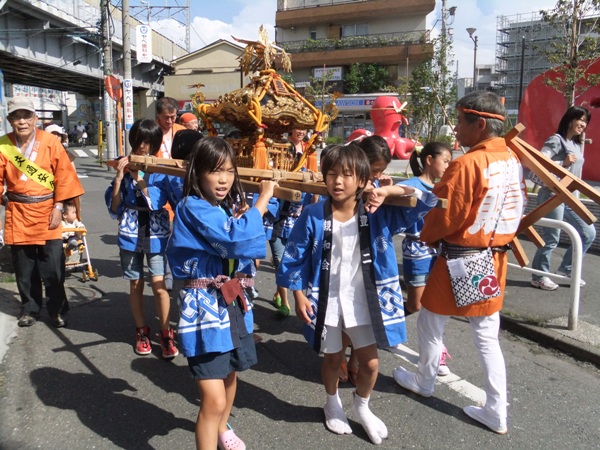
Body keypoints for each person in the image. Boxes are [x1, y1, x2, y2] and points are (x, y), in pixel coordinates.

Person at [276, 143, 437, 444]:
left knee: (371, 363)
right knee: (333, 360)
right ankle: (331, 401)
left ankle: (361, 406)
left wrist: (389, 192)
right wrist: (297, 295)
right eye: (332, 174)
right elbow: (294, 256)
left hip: (365, 301)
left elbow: (428, 200)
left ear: (363, 180)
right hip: (326, 300)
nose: (338, 181)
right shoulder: (312, 214)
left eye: (348, 175)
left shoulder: (378, 212)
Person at [392, 91, 527, 435]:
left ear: (480, 124)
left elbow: (445, 214)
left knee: (430, 323)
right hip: (494, 257)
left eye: (461, 122)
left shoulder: (467, 164)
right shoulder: (512, 159)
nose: (456, 129)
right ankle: (496, 410)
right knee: (486, 336)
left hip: (460, 258)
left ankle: (424, 380)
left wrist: (426, 235)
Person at [166, 137, 276, 450]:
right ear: (198, 173)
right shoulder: (192, 206)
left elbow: (235, 237)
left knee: (230, 375)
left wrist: (246, 213)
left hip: (229, 302)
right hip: (203, 308)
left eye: (229, 171)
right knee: (212, 399)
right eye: (215, 171)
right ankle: (214, 431)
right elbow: (231, 240)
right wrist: (262, 201)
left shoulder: (217, 206)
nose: (224, 179)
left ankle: (222, 430)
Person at [0, 97, 84, 328]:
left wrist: (59, 207)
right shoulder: (3, 145)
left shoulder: (50, 142)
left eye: (27, 116)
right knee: (24, 269)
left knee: (52, 268)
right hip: (18, 213)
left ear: (35, 118)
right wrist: (3, 197)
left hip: (48, 211)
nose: (22, 121)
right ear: (10, 120)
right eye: (17, 117)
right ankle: (30, 308)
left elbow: (64, 177)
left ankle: (57, 310)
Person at [105, 118, 179, 359]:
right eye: (138, 141)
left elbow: (158, 200)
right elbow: (115, 208)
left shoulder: (160, 168)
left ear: (155, 143)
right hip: (129, 231)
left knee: (159, 287)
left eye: (148, 142)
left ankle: (166, 332)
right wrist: (119, 178)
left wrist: (138, 177)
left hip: (156, 232)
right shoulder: (123, 165)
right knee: (135, 284)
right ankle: (141, 332)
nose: (142, 146)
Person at [402, 141, 453, 376]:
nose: (448, 166)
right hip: (417, 249)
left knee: (436, 306)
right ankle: (382, 320)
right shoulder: (411, 184)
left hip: (439, 252)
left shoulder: (445, 187)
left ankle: (436, 352)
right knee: (416, 304)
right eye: (445, 161)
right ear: (429, 160)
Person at [530, 106, 594, 291]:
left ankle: (566, 269)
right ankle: (539, 276)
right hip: (553, 196)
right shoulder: (556, 141)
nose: (583, 124)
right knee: (551, 239)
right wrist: (562, 163)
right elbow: (538, 167)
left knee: (588, 233)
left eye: (585, 121)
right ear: (570, 119)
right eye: (580, 119)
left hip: (571, 198)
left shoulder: (575, 144)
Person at [61, 199, 86, 264]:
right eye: (73, 213)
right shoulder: (61, 223)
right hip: (62, 238)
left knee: (74, 240)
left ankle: (71, 245)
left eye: (75, 212)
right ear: (65, 215)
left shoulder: (75, 221)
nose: (75, 214)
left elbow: (79, 224)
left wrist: (81, 227)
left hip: (71, 237)